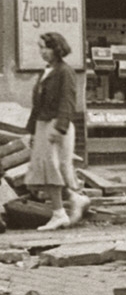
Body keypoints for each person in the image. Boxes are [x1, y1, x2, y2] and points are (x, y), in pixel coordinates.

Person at [27, 32, 88, 231]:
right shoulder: (47, 71)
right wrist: (31, 131)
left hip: (55, 125)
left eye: (46, 47)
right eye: (41, 47)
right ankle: (73, 199)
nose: (43, 52)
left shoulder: (65, 71)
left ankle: (59, 213)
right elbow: (37, 105)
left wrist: (59, 127)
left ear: (57, 48)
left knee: (52, 168)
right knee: (48, 169)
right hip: (44, 123)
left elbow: (68, 101)